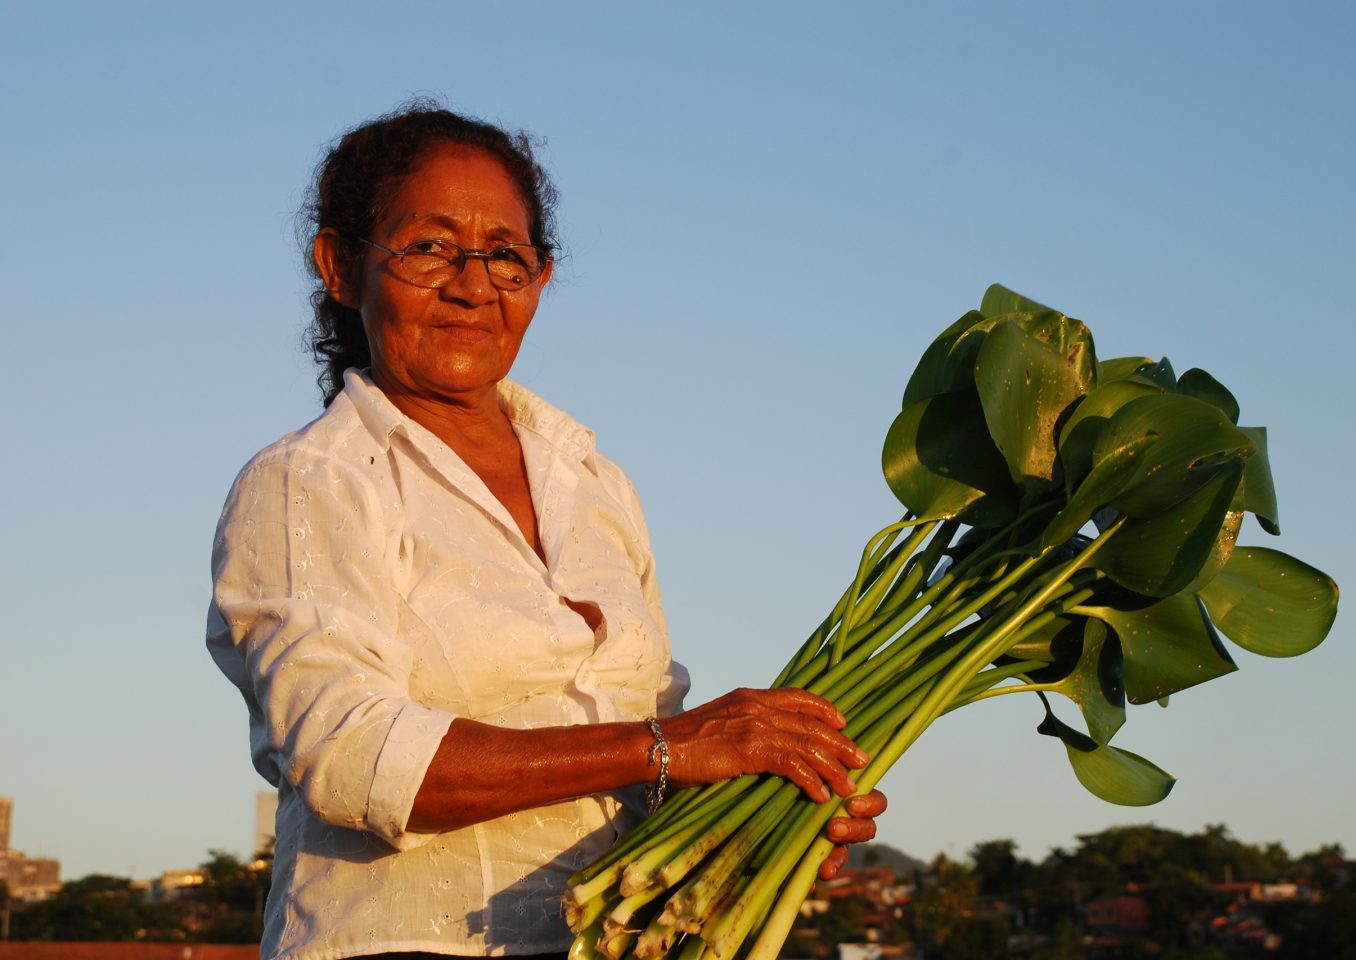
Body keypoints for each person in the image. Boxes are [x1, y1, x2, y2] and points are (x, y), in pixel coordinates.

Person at [206, 103, 885, 960]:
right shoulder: (311, 480)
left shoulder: (596, 483)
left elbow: (657, 762)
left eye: (506, 256)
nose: (472, 283)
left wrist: (767, 804)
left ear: (542, 276)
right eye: (428, 248)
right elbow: (352, 757)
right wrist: (672, 746)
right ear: (341, 266)